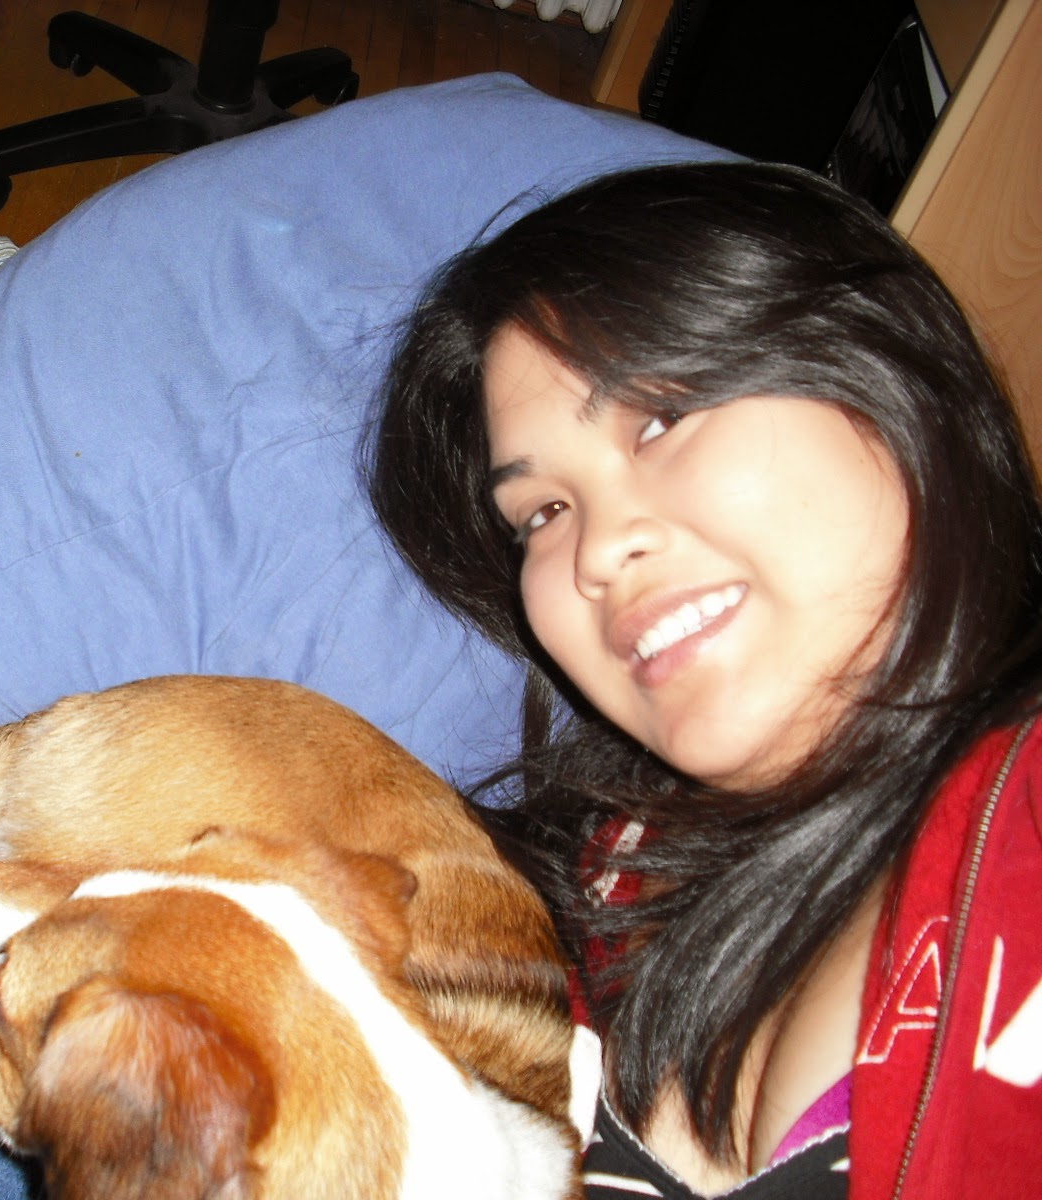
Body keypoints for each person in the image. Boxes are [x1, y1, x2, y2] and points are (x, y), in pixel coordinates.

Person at [369, 161, 1042, 1197]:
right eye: (543, 513)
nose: (597, 552)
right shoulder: (599, 869)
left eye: (661, 418)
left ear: (885, 368)